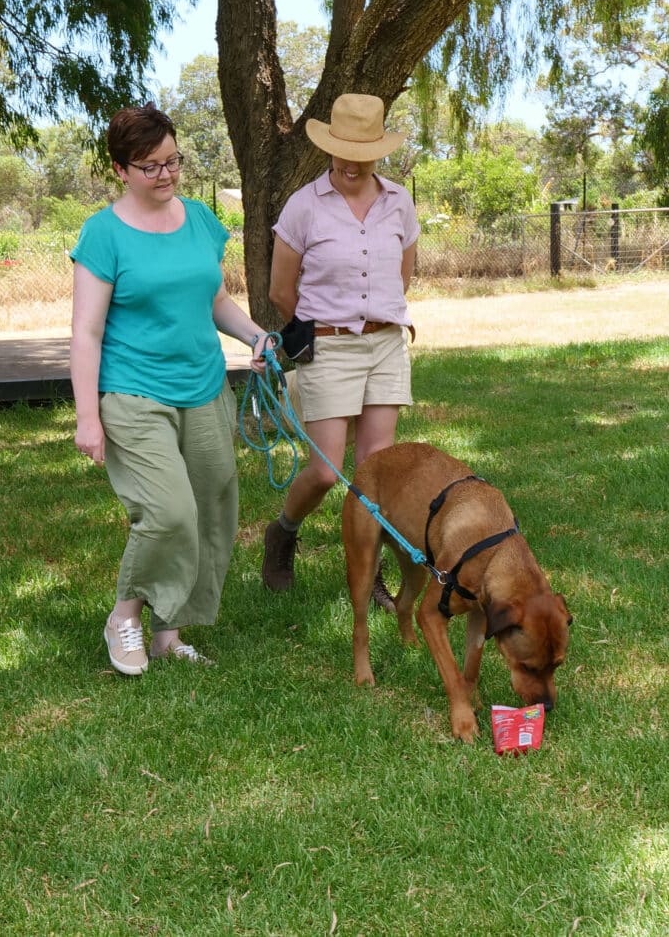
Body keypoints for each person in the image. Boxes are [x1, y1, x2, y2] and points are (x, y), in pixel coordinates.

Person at [70, 103, 268, 676]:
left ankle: (168, 633)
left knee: (211, 508)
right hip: (132, 392)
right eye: (151, 166)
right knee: (168, 512)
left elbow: (212, 300)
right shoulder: (102, 233)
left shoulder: (202, 220)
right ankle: (124, 616)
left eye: (173, 161)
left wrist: (255, 337)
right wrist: (88, 417)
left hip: (204, 387)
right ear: (121, 169)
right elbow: (86, 331)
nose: (166, 175)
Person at [261, 93, 419, 592]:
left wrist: (376, 321)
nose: (351, 162)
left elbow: (402, 275)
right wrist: (321, 328)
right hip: (328, 347)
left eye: (363, 151)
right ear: (329, 147)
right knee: (327, 471)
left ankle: (369, 574)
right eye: (342, 150)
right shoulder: (304, 205)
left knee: (376, 470)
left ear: (378, 151)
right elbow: (280, 291)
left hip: (387, 344)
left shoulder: (398, 201)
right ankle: (283, 533)